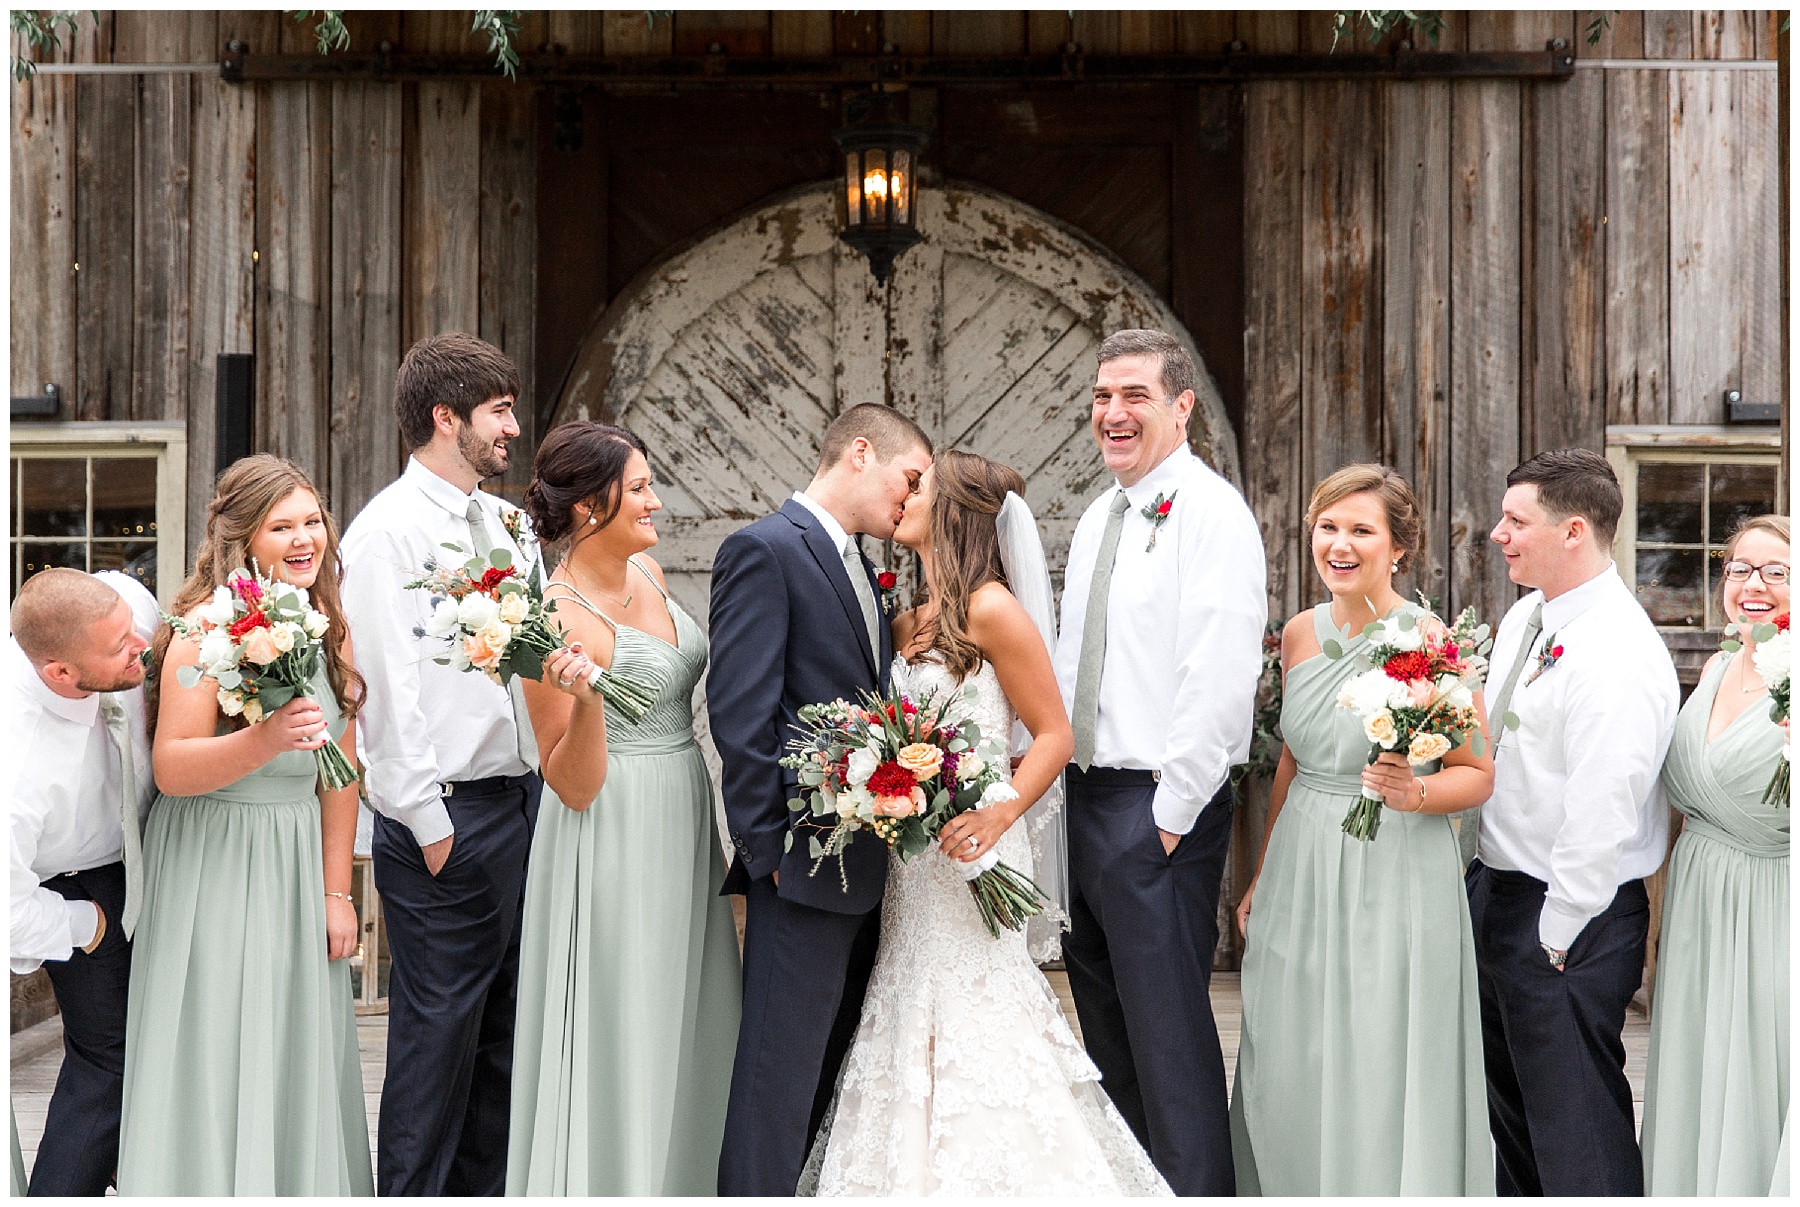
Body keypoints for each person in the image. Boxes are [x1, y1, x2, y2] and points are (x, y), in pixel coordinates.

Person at [802, 450, 1169, 1196]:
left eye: (920, 485)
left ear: (955, 512)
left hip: (977, 845)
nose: (904, 493)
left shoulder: (994, 608)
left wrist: (998, 815)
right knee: (909, 997)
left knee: (982, 1007)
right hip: (914, 857)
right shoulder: (906, 617)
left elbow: (1054, 734)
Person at [1229, 465, 1495, 1195]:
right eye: (1327, 526)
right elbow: (1294, 756)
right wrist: (1262, 873)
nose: (1339, 544)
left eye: (1360, 529)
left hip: (1395, 862)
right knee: (1290, 1045)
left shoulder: (1431, 641)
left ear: (1400, 546)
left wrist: (1415, 792)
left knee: (1380, 1049)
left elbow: (1477, 772)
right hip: (1301, 863)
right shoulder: (1297, 633)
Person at [116, 455, 371, 1194]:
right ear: (241, 538)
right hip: (214, 857)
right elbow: (173, 766)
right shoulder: (203, 629)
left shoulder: (330, 633)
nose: (304, 539)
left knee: (292, 1046)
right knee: (218, 1041)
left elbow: (341, 776)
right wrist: (264, 738)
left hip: (296, 856)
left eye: (312, 521)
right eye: (281, 525)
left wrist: (337, 893)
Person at [1052, 329, 1266, 1195]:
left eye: (1134, 395)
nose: (1113, 413)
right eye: (1103, 396)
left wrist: (1169, 820)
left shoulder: (1212, 515)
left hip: (1155, 809)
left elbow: (1216, 676)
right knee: (1109, 1033)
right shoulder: (1103, 512)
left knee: (1169, 1041)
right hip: (1085, 799)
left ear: (1181, 406)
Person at [506, 422, 742, 1194]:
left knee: (685, 1010)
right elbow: (569, 784)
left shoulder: (645, 566)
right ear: (586, 507)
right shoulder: (546, 618)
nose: (656, 500)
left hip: (680, 806)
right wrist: (588, 703)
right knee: (624, 1015)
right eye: (639, 487)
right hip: (609, 829)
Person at [711, 403, 935, 1195]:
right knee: (776, 1078)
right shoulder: (765, 550)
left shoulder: (859, 567)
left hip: (864, 869)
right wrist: (769, 853)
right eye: (909, 478)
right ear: (861, 453)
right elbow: (741, 716)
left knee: (826, 1079)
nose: (911, 500)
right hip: (802, 867)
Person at [338, 333, 542, 1195]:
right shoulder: (383, 533)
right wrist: (428, 826)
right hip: (447, 824)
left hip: (523, 804)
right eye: (499, 410)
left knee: (503, 1040)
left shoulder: (508, 525)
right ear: (444, 416)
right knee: (434, 1046)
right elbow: (382, 687)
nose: (515, 427)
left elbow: (530, 660)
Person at [1469, 447, 1678, 1196]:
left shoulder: (1618, 653)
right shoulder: (1530, 614)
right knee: (1515, 1119)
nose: (1499, 533)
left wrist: (1556, 931)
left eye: (1517, 520)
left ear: (1575, 531)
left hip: (1569, 916)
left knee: (1576, 1123)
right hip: (1499, 889)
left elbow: (1603, 809)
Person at [1641, 514, 1790, 1196]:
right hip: (1698, 899)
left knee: (1762, 1062)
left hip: (1773, 905)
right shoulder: (1718, 664)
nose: (1752, 584)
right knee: (1698, 1059)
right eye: (1739, 569)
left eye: (1775, 571)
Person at [9, 568, 157, 1195]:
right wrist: (87, 924)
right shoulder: (17, 768)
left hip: (155, 850)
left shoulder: (115, 613)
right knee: (112, 1061)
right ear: (60, 675)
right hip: (72, 889)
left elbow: (133, 608)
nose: (140, 647)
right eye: (120, 647)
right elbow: (6, 911)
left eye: (133, 630)